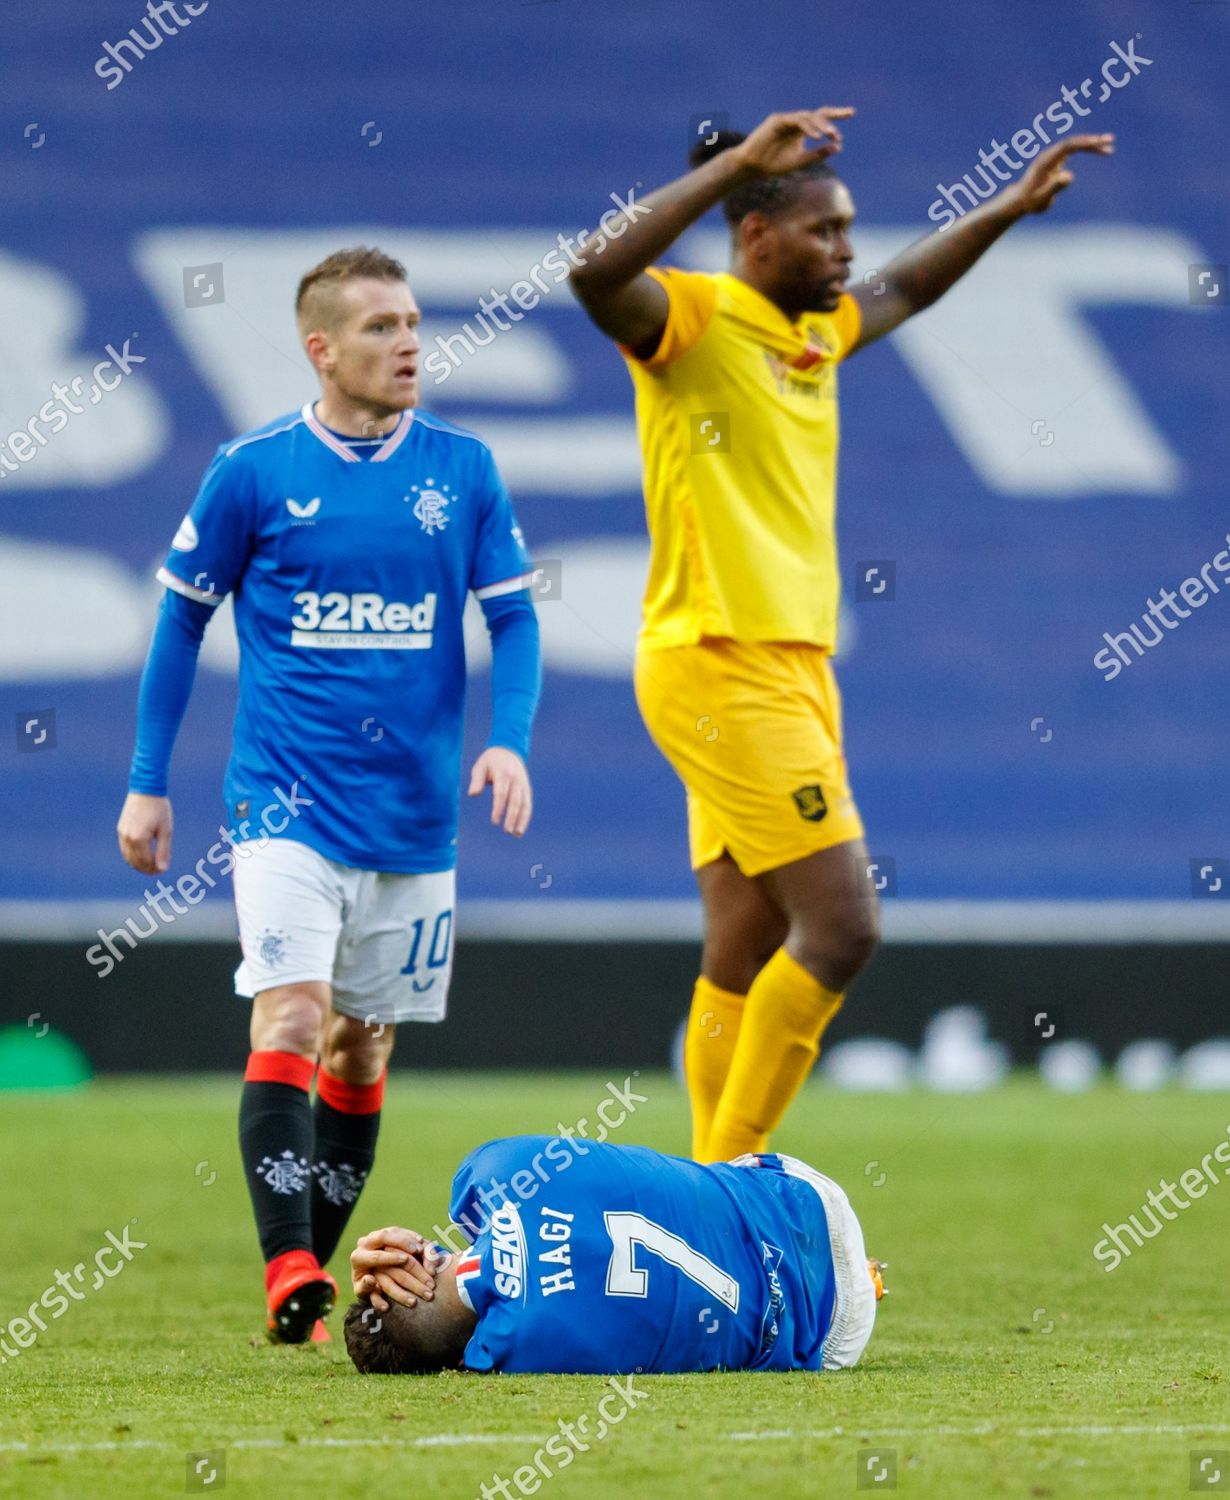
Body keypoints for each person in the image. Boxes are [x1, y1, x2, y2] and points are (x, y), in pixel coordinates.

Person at [566, 108, 1114, 1163]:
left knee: (747, 939)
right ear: (757, 234)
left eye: (851, 229)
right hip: (720, 659)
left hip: (789, 663)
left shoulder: (815, 333)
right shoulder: (696, 317)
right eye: (826, 230)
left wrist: (1006, 207)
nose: (847, 251)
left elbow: (905, 288)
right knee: (846, 926)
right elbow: (595, 277)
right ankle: (732, 1195)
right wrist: (736, 164)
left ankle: (704, 1177)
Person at [116, 246, 541, 1342]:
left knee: (363, 1046)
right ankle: (291, 1264)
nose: (410, 344)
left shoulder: (464, 469)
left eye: (413, 324)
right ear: (323, 349)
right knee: (294, 1014)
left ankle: (310, 1283)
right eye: (383, 328)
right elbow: (178, 618)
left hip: (412, 816)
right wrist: (146, 785)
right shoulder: (253, 468)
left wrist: (511, 743)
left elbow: (515, 619)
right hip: (283, 804)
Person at [343, 1134, 884, 1374]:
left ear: (460, 1362)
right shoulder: (493, 1170)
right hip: (806, 1197)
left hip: (834, 1329)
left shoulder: (511, 1354)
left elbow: (477, 1321)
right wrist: (418, 1244)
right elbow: (476, 1255)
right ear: (418, 1257)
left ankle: (865, 1279)